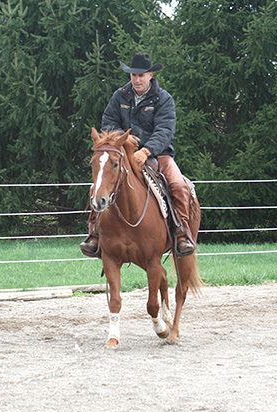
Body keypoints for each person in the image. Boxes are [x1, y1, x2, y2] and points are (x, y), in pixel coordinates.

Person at [80, 52, 196, 258]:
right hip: (123, 154)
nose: (137, 79)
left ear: (150, 75)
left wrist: (146, 150)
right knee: (97, 186)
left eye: (141, 75)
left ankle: (181, 232)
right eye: (133, 75)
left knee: (178, 185)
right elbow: (108, 122)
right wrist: (122, 140)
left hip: (159, 155)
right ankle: (95, 234)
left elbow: (165, 130)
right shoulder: (119, 96)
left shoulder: (164, 99)